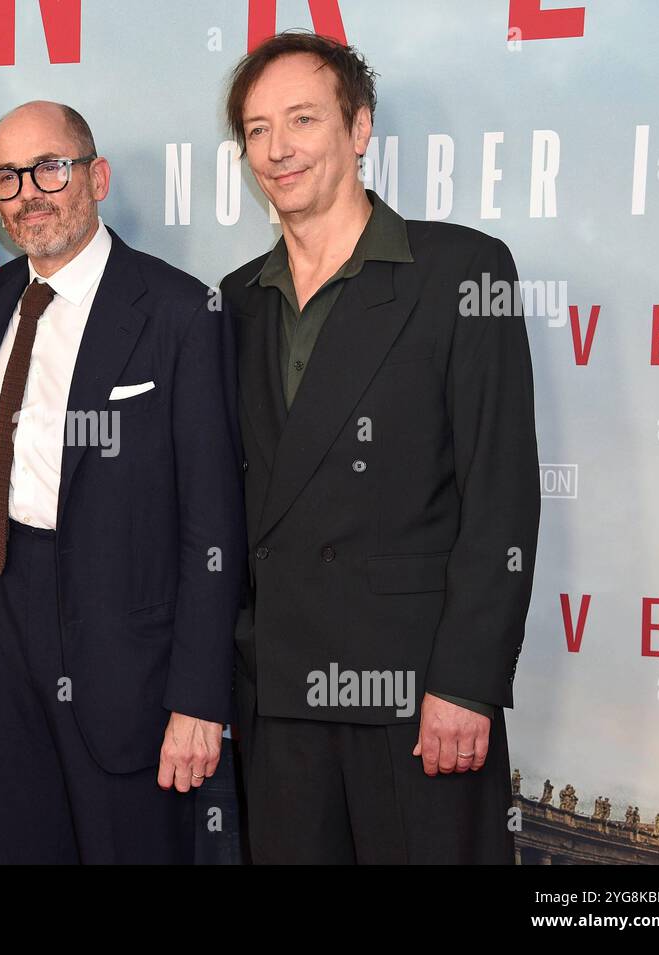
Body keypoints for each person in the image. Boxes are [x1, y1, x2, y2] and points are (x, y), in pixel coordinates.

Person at [220, 31, 540, 863]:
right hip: (281, 702)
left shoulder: (462, 270)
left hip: (417, 701)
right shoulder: (237, 303)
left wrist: (466, 683)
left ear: (360, 128)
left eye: (301, 119)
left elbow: (500, 493)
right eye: (257, 129)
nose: (278, 149)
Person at [0, 101, 246, 863]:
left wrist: (199, 697)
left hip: (126, 652)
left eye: (50, 168)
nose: (28, 193)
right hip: (4, 611)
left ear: (96, 176)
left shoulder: (180, 310)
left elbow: (214, 521)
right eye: (8, 177)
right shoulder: (7, 291)